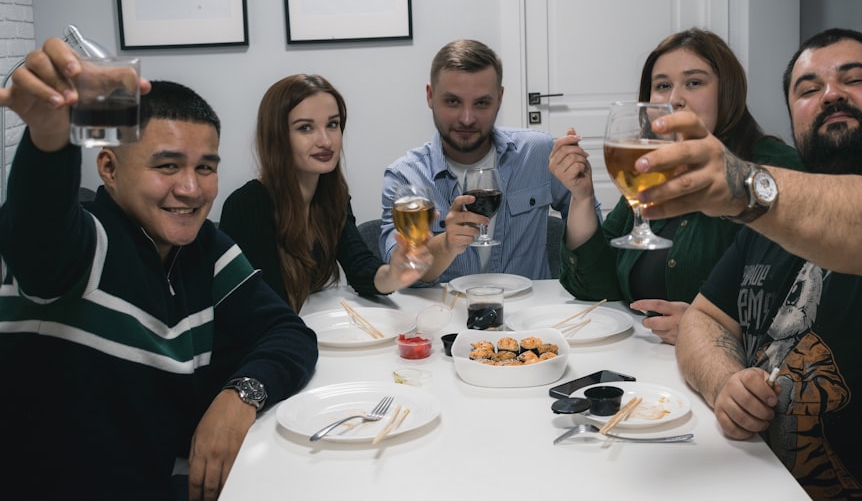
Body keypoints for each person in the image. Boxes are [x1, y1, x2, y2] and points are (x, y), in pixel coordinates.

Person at [636, 28, 862, 499]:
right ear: (793, 119)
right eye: (808, 90)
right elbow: (703, 318)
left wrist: (744, 186)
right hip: (756, 479)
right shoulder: (777, 220)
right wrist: (725, 381)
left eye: (854, 78)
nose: (831, 94)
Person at [0, 40, 318, 501]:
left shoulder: (203, 246)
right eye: (167, 165)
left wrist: (239, 398)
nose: (190, 188)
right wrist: (50, 138)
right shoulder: (85, 243)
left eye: (205, 167)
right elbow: (37, 232)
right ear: (108, 168)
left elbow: (288, 332)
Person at [549, 28, 801, 344]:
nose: (674, 99)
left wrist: (711, 325)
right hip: (644, 358)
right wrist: (582, 197)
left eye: (694, 83)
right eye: (662, 86)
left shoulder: (774, 169)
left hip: (730, 369)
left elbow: (795, 299)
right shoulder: (654, 166)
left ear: (728, 90)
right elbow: (596, 286)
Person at [381, 39, 594, 283]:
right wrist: (446, 244)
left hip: (529, 314)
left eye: (481, 103)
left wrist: (583, 195)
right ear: (430, 96)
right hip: (445, 316)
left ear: (500, 98)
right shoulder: (405, 177)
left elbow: (589, 249)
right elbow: (400, 272)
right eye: (452, 102)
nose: (467, 118)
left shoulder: (538, 152)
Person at [220, 74, 432, 312]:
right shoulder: (247, 205)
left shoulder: (333, 196)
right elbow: (262, 309)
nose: (325, 141)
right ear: (277, 137)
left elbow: (360, 268)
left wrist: (394, 274)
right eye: (305, 128)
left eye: (332, 124)